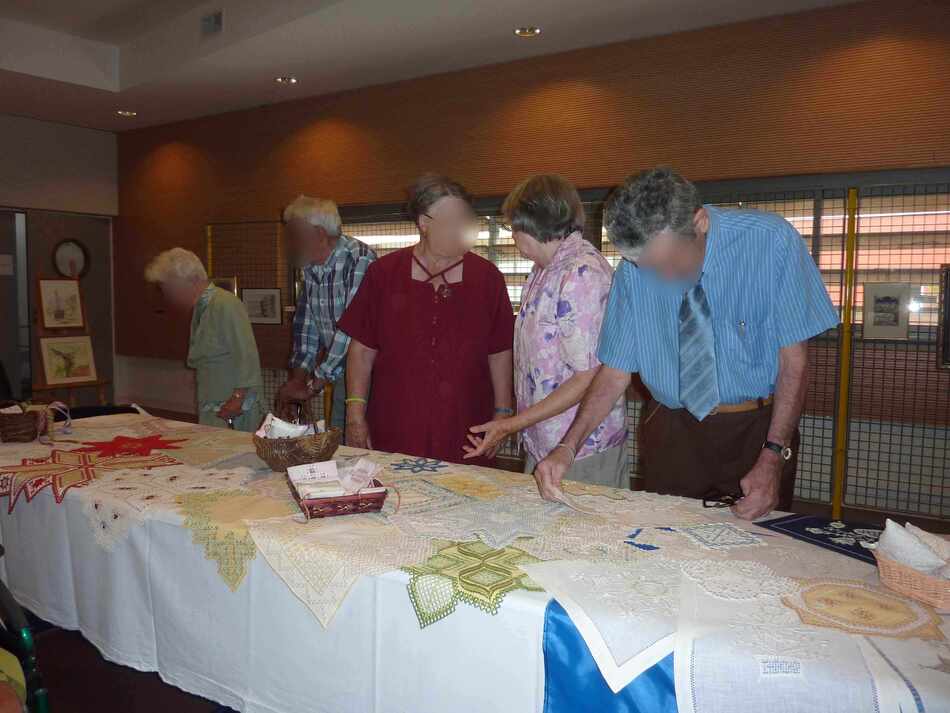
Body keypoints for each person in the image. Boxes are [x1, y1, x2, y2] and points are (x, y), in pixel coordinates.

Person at [535, 168, 838, 519]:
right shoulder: (632, 272)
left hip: (757, 429)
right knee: (663, 539)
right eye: (646, 265)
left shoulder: (771, 243)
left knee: (760, 549)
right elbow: (615, 372)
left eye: (670, 261)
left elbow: (794, 362)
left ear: (700, 222)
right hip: (672, 431)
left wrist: (773, 455)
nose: (663, 277)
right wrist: (567, 448)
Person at [462, 175, 628, 487]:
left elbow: (589, 375)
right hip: (545, 438)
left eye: (514, 226)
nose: (512, 236)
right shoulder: (544, 270)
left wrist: (513, 424)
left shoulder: (581, 273)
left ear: (533, 223)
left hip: (580, 447)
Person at [338, 174, 515, 465]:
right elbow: (362, 349)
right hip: (396, 420)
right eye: (450, 220)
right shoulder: (384, 274)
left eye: (464, 220)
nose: (459, 228)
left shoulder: (487, 278)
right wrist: (355, 414)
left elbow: (500, 350)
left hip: (467, 422)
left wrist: (504, 412)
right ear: (424, 223)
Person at [278, 196, 376, 431]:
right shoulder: (311, 267)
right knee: (340, 438)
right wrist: (298, 378)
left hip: (371, 373)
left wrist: (313, 385)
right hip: (340, 370)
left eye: (293, 235)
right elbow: (306, 325)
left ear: (318, 234)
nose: (289, 243)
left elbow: (351, 330)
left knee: (358, 440)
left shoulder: (359, 259)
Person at [145, 248, 263, 431]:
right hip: (212, 403)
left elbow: (247, 355)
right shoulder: (202, 308)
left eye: (168, 288)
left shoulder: (226, 305)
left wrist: (238, 399)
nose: (168, 296)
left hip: (232, 408)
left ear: (189, 280)